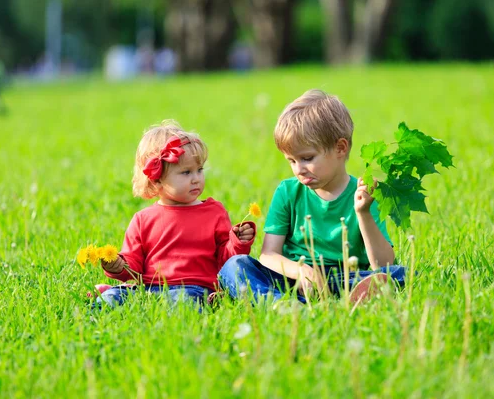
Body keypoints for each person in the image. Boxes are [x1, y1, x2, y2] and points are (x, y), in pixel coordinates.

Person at [218, 89, 406, 304]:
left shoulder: (363, 194)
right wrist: (303, 271)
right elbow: (269, 255)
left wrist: (363, 213)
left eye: (307, 158)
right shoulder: (288, 191)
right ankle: (282, 305)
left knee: (400, 274)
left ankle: (348, 297)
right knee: (234, 266)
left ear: (340, 148)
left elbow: (383, 265)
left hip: (343, 278)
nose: (299, 169)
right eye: (291, 161)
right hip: (293, 278)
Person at [97, 120, 256, 308]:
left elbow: (226, 260)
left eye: (199, 170)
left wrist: (237, 242)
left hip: (194, 288)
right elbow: (133, 264)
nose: (196, 178)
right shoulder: (142, 219)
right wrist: (117, 265)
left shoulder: (214, 212)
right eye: (186, 172)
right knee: (111, 297)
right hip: (149, 289)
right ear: (157, 180)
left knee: (182, 301)